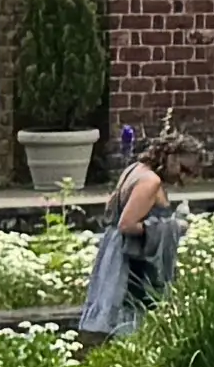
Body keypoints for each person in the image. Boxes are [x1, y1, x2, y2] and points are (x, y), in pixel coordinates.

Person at [75, 143, 183, 341]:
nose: (183, 178)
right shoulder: (151, 181)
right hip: (131, 259)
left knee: (109, 317)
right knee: (129, 319)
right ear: (173, 158)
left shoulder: (134, 169)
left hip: (113, 248)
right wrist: (173, 227)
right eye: (183, 169)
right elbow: (127, 224)